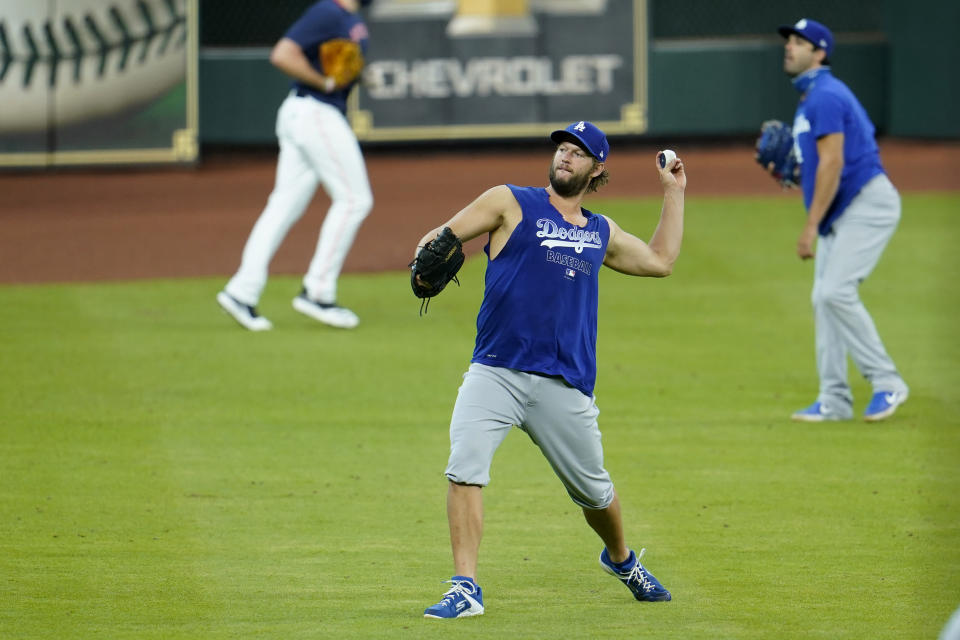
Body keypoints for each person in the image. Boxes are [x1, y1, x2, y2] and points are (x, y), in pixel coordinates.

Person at [414, 121, 686, 618]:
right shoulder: (509, 201)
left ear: (596, 168)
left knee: (595, 492)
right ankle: (465, 586)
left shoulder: (601, 231)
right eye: (562, 147)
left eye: (578, 152)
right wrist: (425, 251)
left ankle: (621, 560)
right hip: (495, 370)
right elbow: (445, 235)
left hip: (565, 382)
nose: (566, 155)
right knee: (464, 469)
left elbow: (661, 260)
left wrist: (673, 193)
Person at [774, 18, 909, 422]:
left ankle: (888, 382)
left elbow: (834, 161)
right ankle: (834, 400)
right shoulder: (812, 97)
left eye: (799, 42)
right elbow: (820, 163)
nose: (790, 47)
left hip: (866, 204)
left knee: (835, 293)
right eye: (789, 41)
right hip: (844, 207)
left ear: (820, 53)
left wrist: (811, 224)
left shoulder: (824, 96)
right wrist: (795, 173)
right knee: (823, 299)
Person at [216, 0, 375, 331]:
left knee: (283, 206)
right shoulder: (328, 11)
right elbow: (283, 54)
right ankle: (317, 292)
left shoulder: (349, 17)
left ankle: (241, 291)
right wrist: (325, 82)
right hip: (316, 112)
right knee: (355, 199)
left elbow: (340, 64)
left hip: (304, 113)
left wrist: (356, 75)